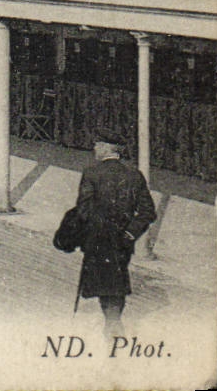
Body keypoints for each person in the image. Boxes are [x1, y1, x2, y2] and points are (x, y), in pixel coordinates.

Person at [65, 130, 157, 337]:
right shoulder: (134, 175)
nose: (94, 148)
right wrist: (130, 233)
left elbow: (84, 210)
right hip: (122, 240)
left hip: (97, 238)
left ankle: (112, 323)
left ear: (107, 148)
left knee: (102, 280)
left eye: (97, 144)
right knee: (117, 278)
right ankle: (113, 321)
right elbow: (148, 212)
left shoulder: (92, 173)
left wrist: (83, 232)